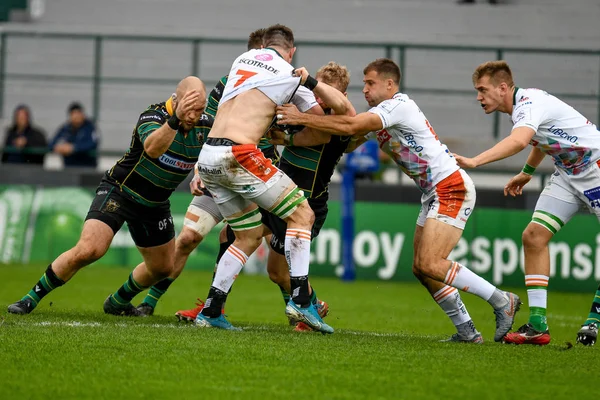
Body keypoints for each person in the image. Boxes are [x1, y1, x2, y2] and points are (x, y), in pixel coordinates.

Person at [275, 58, 521, 343]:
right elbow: (345, 137)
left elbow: (351, 124)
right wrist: (290, 137)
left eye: (371, 83)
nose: (364, 89)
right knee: (421, 268)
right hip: (433, 192)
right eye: (364, 84)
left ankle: (502, 300)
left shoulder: (398, 106)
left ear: (390, 84)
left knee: (431, 262)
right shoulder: (380, 114)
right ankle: (467, 330)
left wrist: (302, 117)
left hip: (450, 187)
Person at [194, 24, 353, 333]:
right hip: (238, 153)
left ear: (261, 46)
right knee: (302, 214)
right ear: (291, 51)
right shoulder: (288, 71)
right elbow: (343, 113)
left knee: (247, 235)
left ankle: (211, 311)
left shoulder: (241, 61)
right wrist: (308, 84)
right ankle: (302, 302)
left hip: (208, 157)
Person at [7, 77, 210, 316]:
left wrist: (200, 173)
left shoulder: (205, 124)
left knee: (163, 267)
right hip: (120, 191)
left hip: (155, 204)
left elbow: (215, 149)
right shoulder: (152, 116)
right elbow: (153, 149)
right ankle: (30, 298)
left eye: (200, 110)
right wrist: (175, 120)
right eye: (190, 109)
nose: (194, 116)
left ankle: (118, 301)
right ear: (176, 101)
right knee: (90, 249)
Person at [453, 60, 600, 345]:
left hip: (596, 169)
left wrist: (475, 160)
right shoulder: (524, 107)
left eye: (483, 90)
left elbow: (520, 141)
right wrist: (526, 173)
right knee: (533, 237)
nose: (478, 97)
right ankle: (537, 326)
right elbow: (540, 140)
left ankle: (593, 321)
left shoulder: (529, 103)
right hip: (569, 174)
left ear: (503, 88)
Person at [131, 28, 272, 318]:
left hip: (254, 175)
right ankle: (149, 302)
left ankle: (300, 302)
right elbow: (207, 129)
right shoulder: (228, 84)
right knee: (187, 240)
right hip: (219, 172)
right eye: (263, 52)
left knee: (264, 242)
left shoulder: (283, 85)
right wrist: (198, 168)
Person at [49, 102, 99, 168]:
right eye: (73, 114)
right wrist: (59, 147)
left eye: (78, 113)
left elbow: (92, 143)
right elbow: (52, 143)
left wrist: (74, 148)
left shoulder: (90, 127)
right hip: (69, 167)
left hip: (87, 167)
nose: (76, 116)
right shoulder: (65, 128)